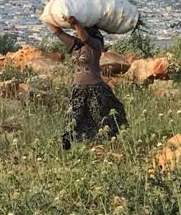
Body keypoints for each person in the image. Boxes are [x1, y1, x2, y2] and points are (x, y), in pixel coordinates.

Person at [49, 15, 127, 149]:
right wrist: (48, 18)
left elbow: (86, 38)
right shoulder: (75, 45)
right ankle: (68, 150)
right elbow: (58, 33)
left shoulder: (96, 44)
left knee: (102, 120)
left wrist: (75, 23)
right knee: (72, 121)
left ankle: (108, 147)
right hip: (78, 89)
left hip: (95, 90)